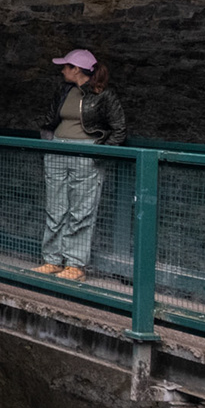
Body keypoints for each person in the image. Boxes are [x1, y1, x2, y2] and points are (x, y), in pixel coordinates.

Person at [37, 49, 127, 282]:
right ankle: (52, 260)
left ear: (76, 69)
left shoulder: (104, 95)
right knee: (55, 206)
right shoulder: (63, 90)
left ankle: (75, 264)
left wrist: (99, 152)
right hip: (57, 149)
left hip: (87, 152)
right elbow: (49, 119)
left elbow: (119, 129)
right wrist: (49, 141)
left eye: (66, 66)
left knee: (82, 210)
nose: (62, 70)